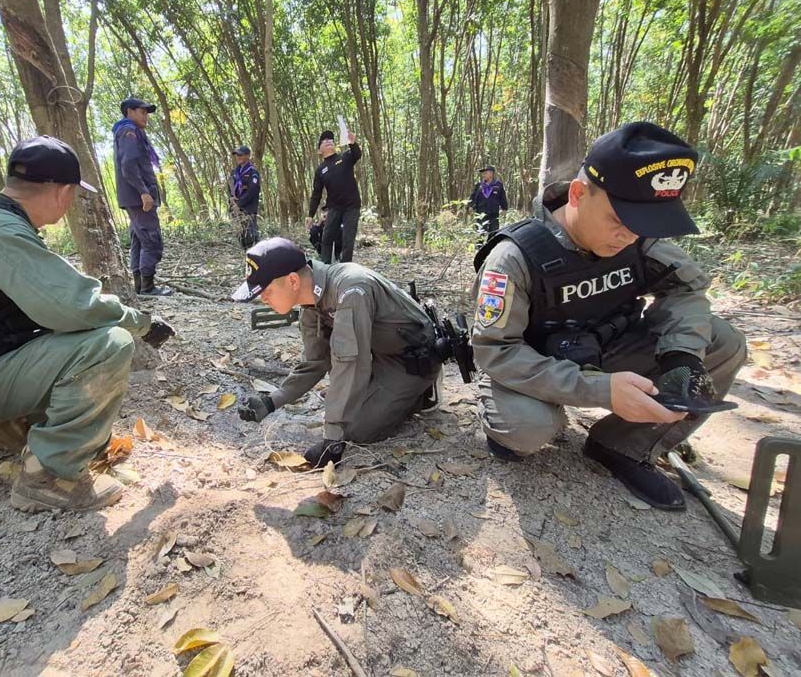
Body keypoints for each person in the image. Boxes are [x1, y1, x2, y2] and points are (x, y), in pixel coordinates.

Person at [471, 122, 747, 510]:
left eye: (642, 225)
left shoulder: (638, 239)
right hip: (534, 368)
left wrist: (680, 357)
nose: (629, 237)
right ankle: (514, 420)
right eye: (619, 221)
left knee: (723, 341)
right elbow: (496, 352)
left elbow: (687, 289)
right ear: (578, 194)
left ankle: (622, 445)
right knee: (525, 428)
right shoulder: (514, 258)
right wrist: (599, 390)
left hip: (610, 348)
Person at [0, 136, 175, 512]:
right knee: (109, 344)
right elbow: (73, 306)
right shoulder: (0, 232)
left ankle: (22, 432)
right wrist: (141, 324)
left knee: (75, 337)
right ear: (62, 192)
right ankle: (47, 475)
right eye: (73, 194)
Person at [233, 238, 442, 468]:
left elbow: (350, 362)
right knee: (342, 401)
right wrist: (271, 401)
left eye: (266, 290)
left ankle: (419, 394)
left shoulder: (350, 290)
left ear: (293, 281)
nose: (263, 298)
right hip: (377, 354)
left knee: (357, 429)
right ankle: (379, 390)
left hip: (410, 361)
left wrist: (332, 441)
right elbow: (315, 363)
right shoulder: (310, 303)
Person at [113, 97, 172, 296]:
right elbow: (128, 164)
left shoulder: (130, 131)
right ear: (130, 111)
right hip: (137, 197)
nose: (146, 116)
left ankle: (140, 286)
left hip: (133, 196)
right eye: (143, 112)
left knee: (139, 239)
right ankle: (147, 286)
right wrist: (143, 192)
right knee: (151, 239)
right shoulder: (128, 131)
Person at [305, 130, 361, 263]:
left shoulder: (344, 158)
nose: (328, 141)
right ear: (319, 151)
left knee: (348, 240)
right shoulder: (320, 170)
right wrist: (310, 215)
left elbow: (357, 154)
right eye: (324, 141)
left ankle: (346, 268)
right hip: (334, 207)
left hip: (351, 206)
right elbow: (316, 194)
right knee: (327, 237)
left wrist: (352, 143)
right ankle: (325, 266)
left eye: (330, 139)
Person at [228, 145, 261, 249]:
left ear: (247, 156)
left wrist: (239, 204)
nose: (238, 157)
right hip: (236, 210)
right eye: (237, 155)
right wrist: (231, 199)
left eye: (241, 155)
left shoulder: (253, 172)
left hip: (248, 210)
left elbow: (252, 191)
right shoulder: (234, 173)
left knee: (250, 237)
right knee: (241, 237)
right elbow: (230, 188)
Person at [469, 165, 508, 239]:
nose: (483, 175)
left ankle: (492, 245)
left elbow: (502, 197)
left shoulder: (498, 185)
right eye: (483, 173)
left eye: (485, 173)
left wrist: (504, 208)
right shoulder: (479, 185)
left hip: (493, 213)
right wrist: (470, 206)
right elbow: (473, 196)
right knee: (480, 232)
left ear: (491, 173)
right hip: (481, 213)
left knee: (493, 233)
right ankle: (480, 245)